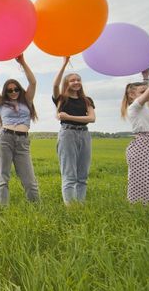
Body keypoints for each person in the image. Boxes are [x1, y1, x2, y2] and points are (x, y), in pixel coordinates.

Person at [0, 55, 40, 205]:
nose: (13, 92)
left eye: (16, 89)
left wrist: (22, 61)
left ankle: (37, 208)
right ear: (6, 92)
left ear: (20, 89)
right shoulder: (0, 103)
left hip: (23, 141)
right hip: (5, 139)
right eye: (10, 90)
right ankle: (3, 211)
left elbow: (33, 82)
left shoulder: (27, 101)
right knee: (2, 177)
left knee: (29, 180)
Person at [52, 56, 95, 205]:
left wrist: (68, 116)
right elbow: (55, 84)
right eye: (72, 80)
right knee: (69, 174)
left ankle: (80, 205)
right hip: (67, 134)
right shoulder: (61, 99)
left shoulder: (86, 100)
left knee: (83, 175)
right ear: (67, 83)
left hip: (84, 134)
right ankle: (71, 207)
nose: (76, 82)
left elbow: (91, 118)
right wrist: (64, 64)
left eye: (78, 80)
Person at [121, 71, 149, 204]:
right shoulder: (134, 108)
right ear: (131, 95)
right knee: (148, 179)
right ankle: (144, 206)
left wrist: (146, 77)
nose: (147, 94)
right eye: (143, 92)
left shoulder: (148, 110)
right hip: (142, 146)